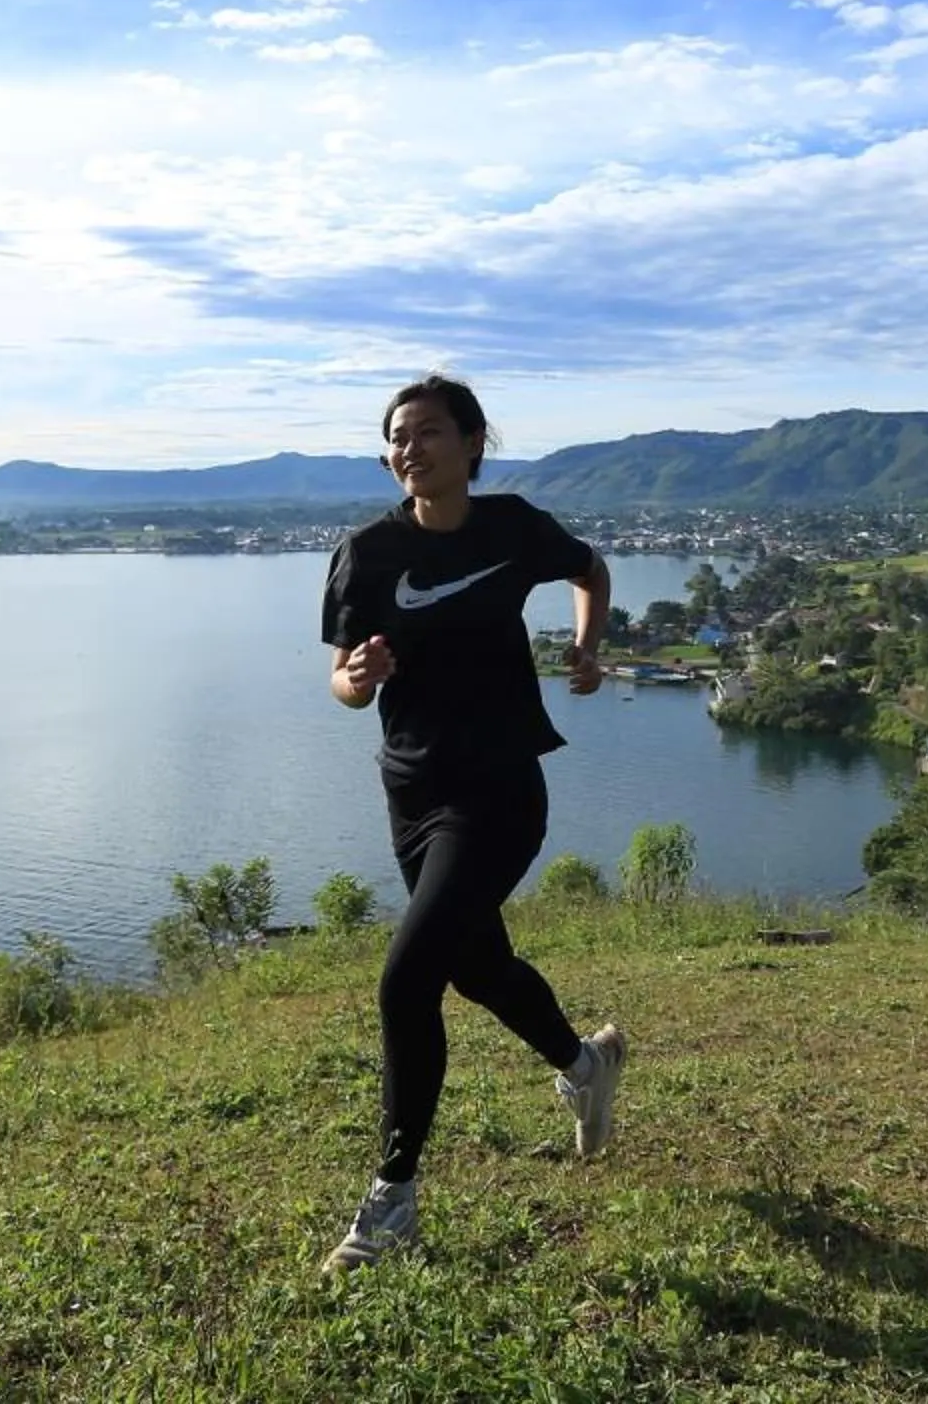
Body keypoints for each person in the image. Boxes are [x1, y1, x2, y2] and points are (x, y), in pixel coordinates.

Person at [316, 374, 629, 1275]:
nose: (409, 449)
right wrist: (360, 678)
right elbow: (341, 681)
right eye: (396, 439)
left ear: (471, 442)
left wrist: (587, 644)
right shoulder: (367, 554)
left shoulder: (513, 526)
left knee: (406, 982)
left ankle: (393, 1199)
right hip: (411, 792)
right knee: (476, 964)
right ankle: (585, 1063)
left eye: (427, 433)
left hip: (498, 790)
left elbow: (589, 569)